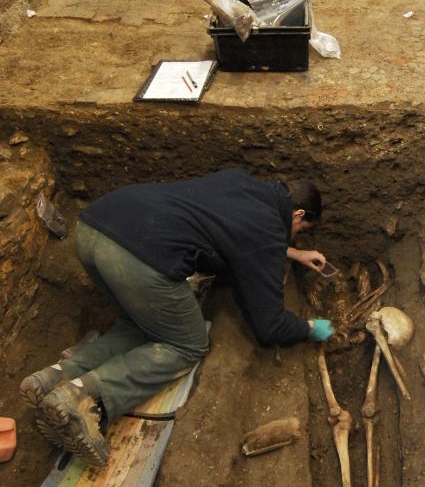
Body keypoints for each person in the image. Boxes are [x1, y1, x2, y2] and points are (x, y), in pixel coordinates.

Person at [20, 169, 335, 467]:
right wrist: (310, 327)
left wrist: (289, 253)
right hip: (138, 257)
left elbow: (238, 233)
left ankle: (54, 377)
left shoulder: (242, 182)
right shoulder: (267, 229)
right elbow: (270, 326)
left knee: (144, 323)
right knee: (187, 344)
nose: (295, 237)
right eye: (301, 231)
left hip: (94, 229)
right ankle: (86, 398)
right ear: (297, 214)